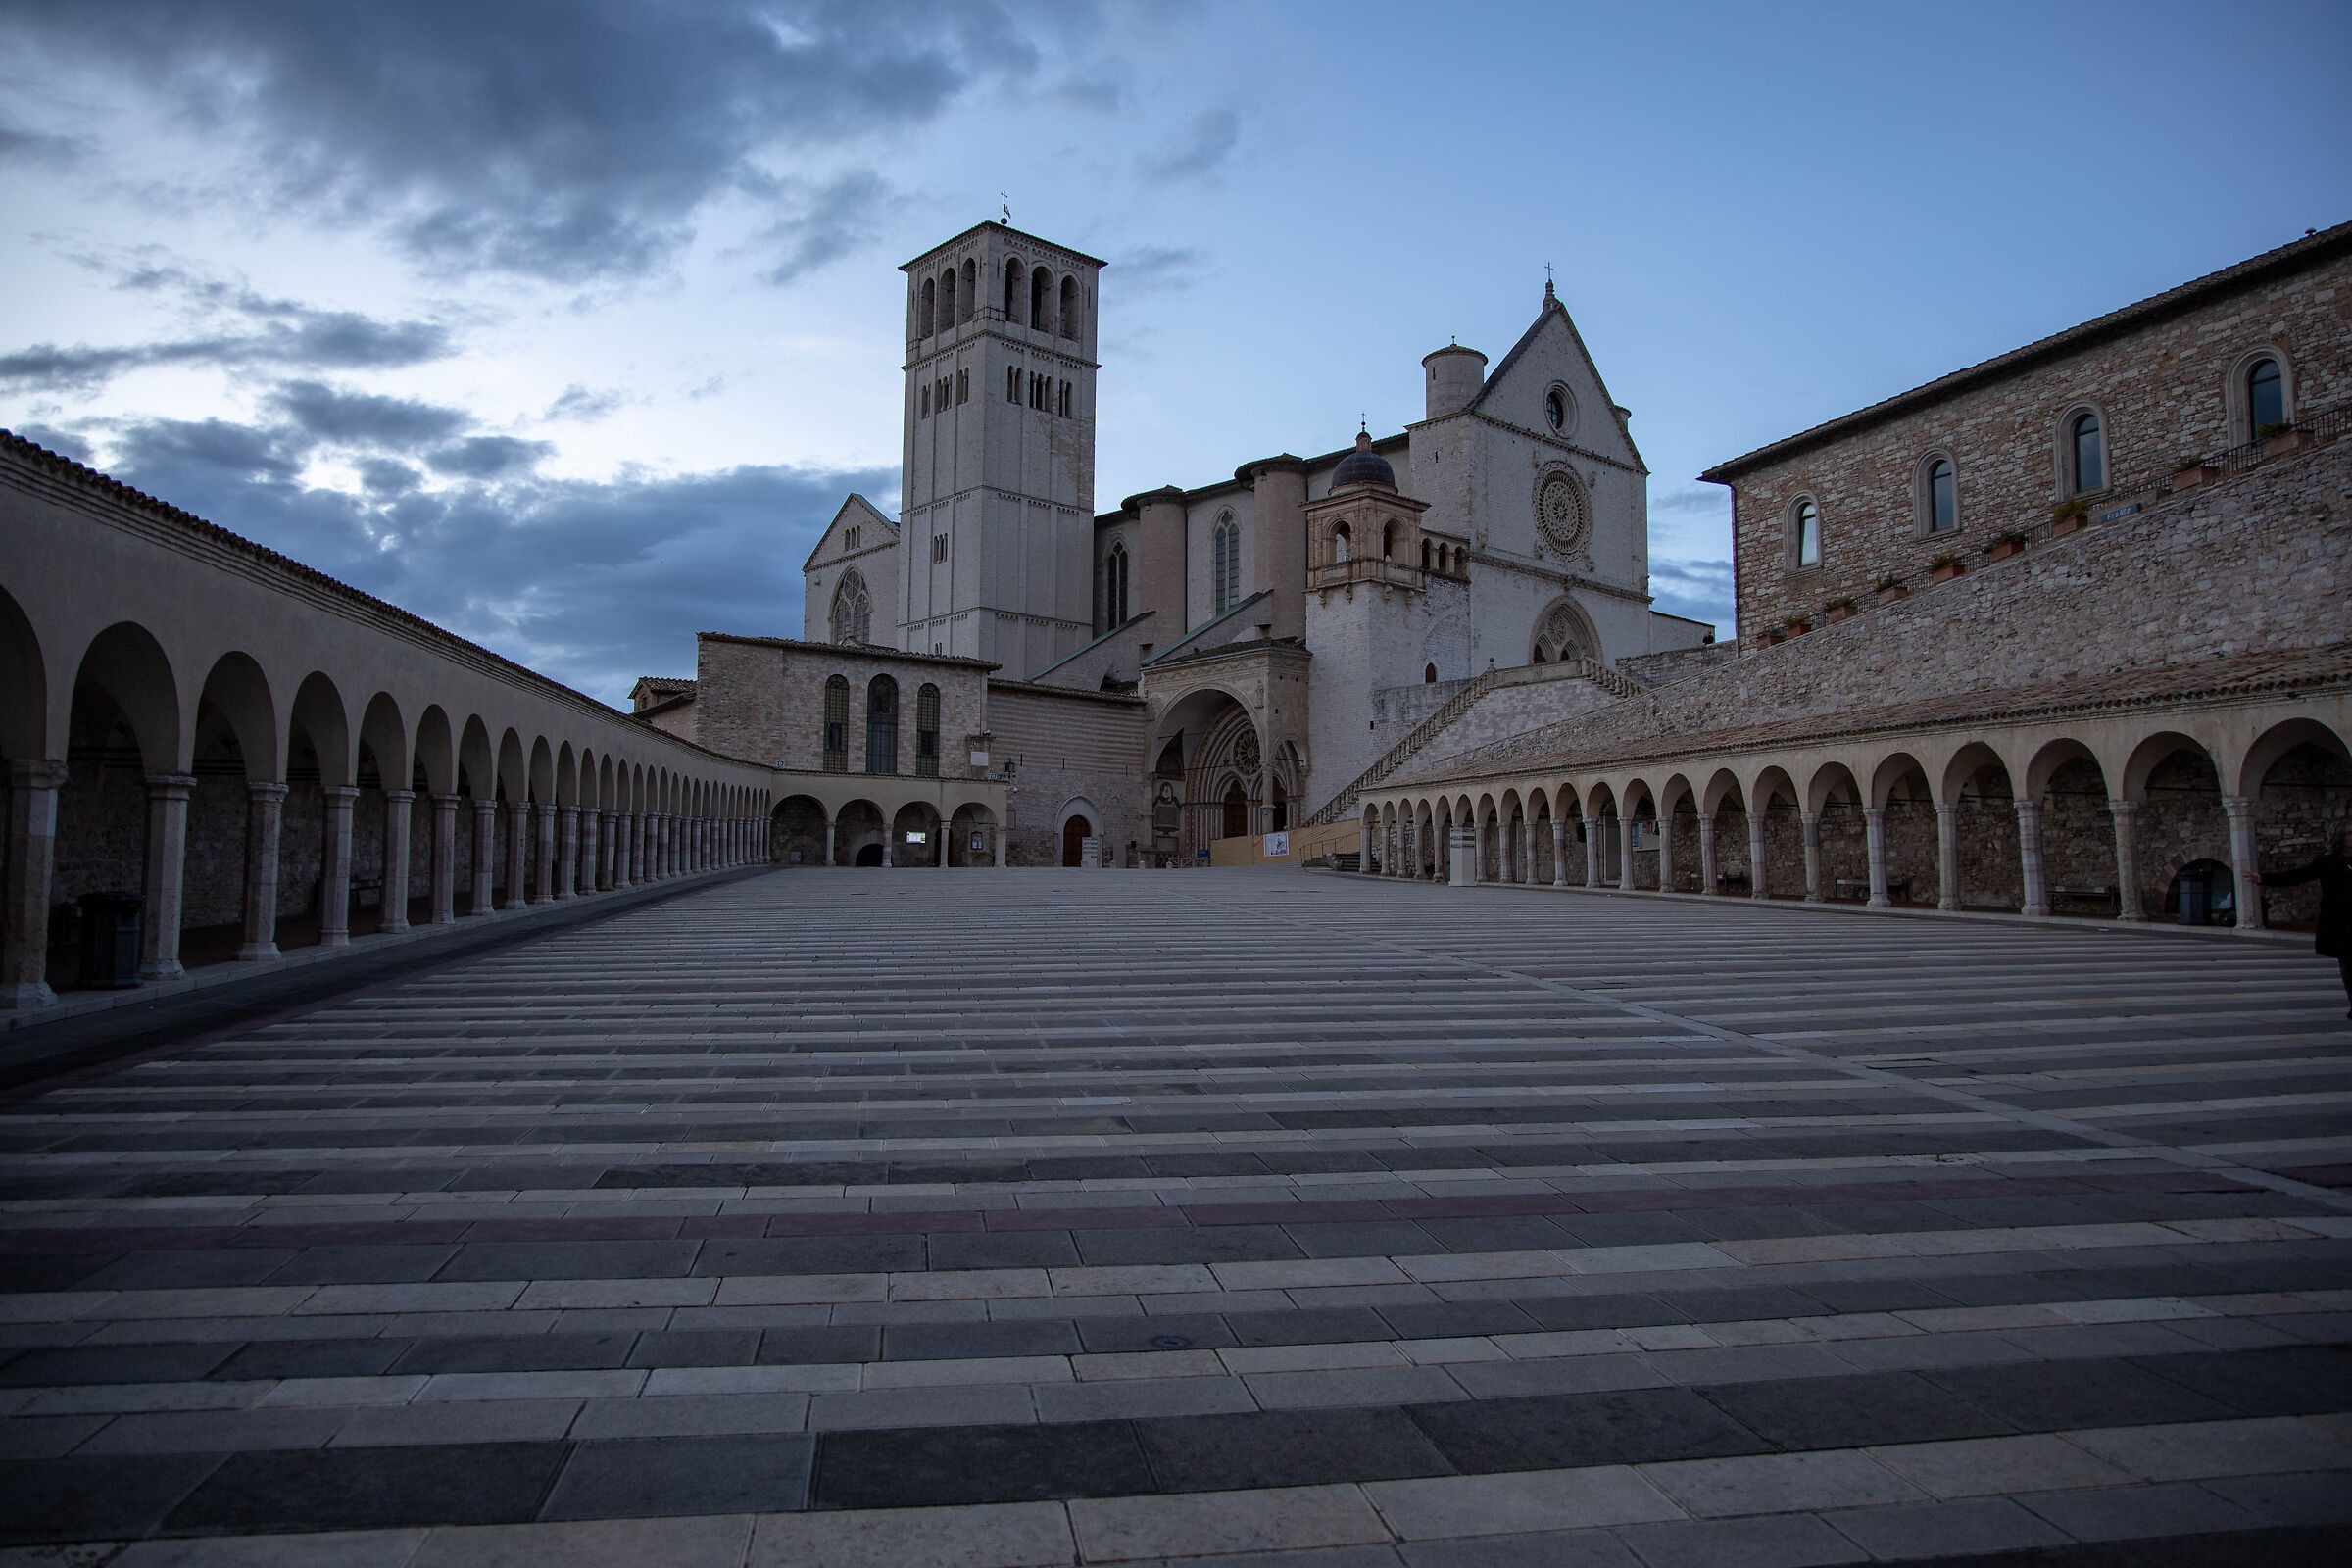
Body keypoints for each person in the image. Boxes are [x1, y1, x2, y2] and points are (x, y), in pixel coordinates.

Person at [2253, 819, 2352, 1018]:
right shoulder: (2327, 861)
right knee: (2348, 962)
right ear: (2340, 837)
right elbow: (2298, 876)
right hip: (2341, 920)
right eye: (2350, 833)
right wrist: (2264, 879)